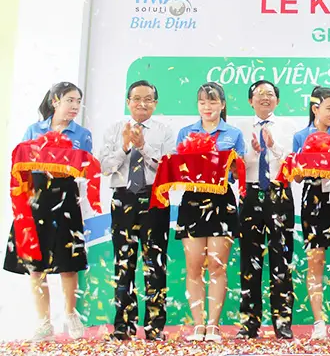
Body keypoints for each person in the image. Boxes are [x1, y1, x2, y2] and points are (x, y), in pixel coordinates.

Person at [3, 82, 93, 342]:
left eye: (78, 101)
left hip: (66, 197)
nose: (75, 106)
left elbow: (86, 168)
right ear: (55, 101)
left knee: (68, 262)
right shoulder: (34, 129)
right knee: (35, 264)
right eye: (70, 100)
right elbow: (20, 162)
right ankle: (43, 321)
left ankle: (71, 313)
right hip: (37, 196)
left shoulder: (82, 134)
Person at [98, 80, 174, 341]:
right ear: (128, 102)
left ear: (155, 103)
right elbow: (105, 167)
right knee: (123, 263)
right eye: (137, 99)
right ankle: (123, 325)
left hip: (155, 198)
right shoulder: (114, 130)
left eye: (148, 99)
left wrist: (143, 146)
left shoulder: (165, 131)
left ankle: (155, 327)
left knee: (155, 264)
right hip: (123, 199)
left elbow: (167, 167)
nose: (142, 104)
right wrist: (125, 147)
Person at [175, 82, 245, 342]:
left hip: (222, 200)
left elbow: (238, 173)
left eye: (213, 101)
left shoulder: (233, 134)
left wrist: (236, 166)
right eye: (202, 102)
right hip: (192, 201)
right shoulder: (185, 132)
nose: (207, 107)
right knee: (194, 266)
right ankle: (198, 325)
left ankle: (213, 325)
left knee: (216, 265)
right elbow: (178, 169)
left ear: (222, 105)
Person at [292, 86, 330, 340]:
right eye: (329, 108)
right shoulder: (300, 136)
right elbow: (296, 177)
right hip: (312, 199)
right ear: (315, 108)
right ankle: (319, 322)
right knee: (315, 260)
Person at [237, 80, 297, 340]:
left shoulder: (289, 127)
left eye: (270, 94)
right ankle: (249, 323)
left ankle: (282, 323)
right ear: (250, 101)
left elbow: (293, 164)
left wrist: (272, 145)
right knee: (249, 260)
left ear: (277, 100)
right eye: (259, 94)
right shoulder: (240, 128)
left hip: (279, 193)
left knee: (281, 260)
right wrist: (254, 152)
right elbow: (237, 167)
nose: (265, 98)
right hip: (250, 194)